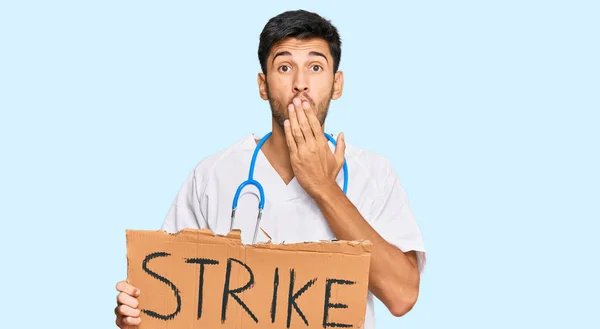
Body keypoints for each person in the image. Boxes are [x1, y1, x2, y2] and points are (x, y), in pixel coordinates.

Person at [114, 9, 426, 329]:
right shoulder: (213, 176)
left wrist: (323, 187)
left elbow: (401, 296)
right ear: (263, 85)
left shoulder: (374, 174)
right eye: (285, 67)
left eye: (316, 67)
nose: (300, 83)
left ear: (337, 83)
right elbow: (167, 302)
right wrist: (139, 316)